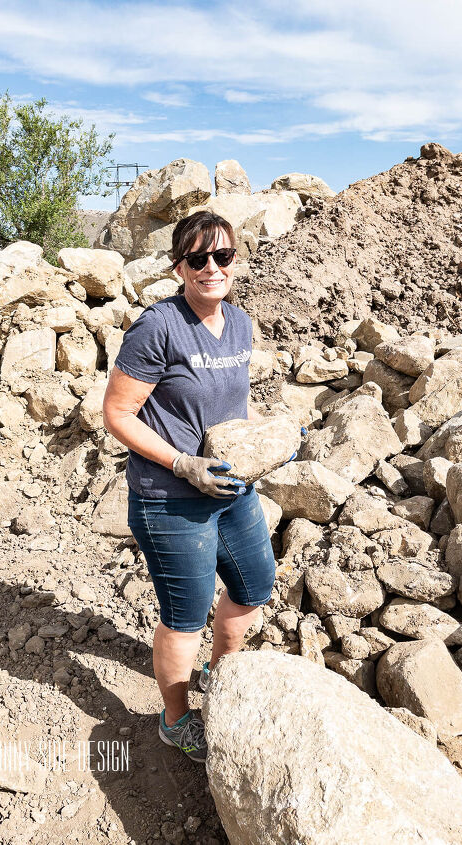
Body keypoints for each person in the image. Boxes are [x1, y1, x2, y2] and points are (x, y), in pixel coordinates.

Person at [102, 210, 278, 764]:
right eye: (197, 259)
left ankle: (222, 681)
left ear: (235, 260)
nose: (211, 268)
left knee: (254, 584)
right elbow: (118, 414)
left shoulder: (241, 323)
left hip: (231, 488)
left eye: (222, 256)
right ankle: (175, 720)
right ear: (179, 266)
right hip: (171, 497)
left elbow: (233, 404)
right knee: (187, 612)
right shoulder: (159, 327)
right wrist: (184, 465)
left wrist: (265, 439)